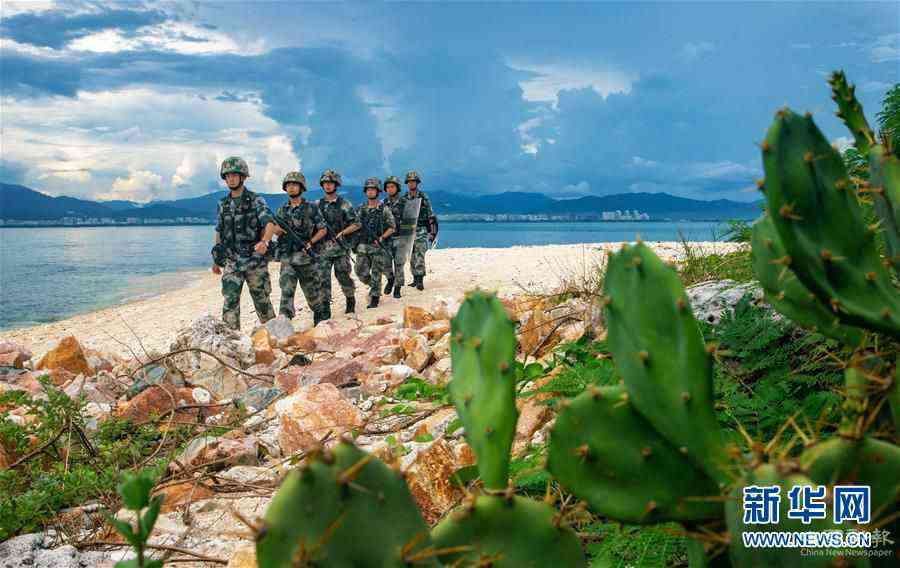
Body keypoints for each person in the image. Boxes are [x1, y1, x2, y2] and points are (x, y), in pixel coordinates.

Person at [211, 156, 277, 330]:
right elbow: (219, 230)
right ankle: (232, 342)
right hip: (231, 260)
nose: (231, 178)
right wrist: (216, 260)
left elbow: (270, 223)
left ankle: (276, 338)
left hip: (254, 260)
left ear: (243, 176)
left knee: (262, 301)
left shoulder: (256, 200)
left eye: (234, 175)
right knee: (230, 302)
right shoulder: (222, 204)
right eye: (228, 176)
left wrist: (265, 241)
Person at [272, 171, 329, 325]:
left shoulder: (311, 208)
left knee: (312, 292)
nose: (291, 188)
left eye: (294, 185)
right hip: (288, 258)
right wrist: (276, 230)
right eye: (288, 185)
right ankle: (284, 320)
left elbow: (323, 229)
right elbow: (276, 230)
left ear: (301, 187)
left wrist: (311, 242)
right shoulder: (281, 210)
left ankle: (319, 313)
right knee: (286, 291)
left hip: (306, 258)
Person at [316, 169, 360, 315]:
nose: (328, 186)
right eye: (325, 183)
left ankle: (350, 300)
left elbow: (356, 224)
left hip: (341, 248)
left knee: (343, 276)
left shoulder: (344, 204)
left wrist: (343, 233)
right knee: (323, 279)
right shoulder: (317, 205)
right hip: (322, 249)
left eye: (331, 183)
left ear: (336, 185)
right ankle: (325, 308)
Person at [354, 178, 395, 309]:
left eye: (373, 189)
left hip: (378, 245)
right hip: (363, 244)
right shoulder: (361, 208)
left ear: (378, 192)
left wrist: (382, 237)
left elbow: (392, 227)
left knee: (376, 271)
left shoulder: (384, 209)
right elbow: (356, 224)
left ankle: (375, 297)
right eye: (368, 189)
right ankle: (376, 285)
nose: (370, 192)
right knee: (360, 271)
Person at [404, 170, 437, 290]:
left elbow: (431, 215)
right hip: (409, 228)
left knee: (420, 254)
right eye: (409, 182)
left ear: (417, 183)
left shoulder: (423, 196)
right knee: (411, 255)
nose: (411, 184)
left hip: (421, 228)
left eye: (413, 182)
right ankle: (414, 278)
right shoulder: (405, 197)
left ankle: (420, 280)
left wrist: (432, 233)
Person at [382, 175, 409, 298]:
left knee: (399, 264)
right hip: (387, 238)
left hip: (400, 237)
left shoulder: (405, 202)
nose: (389, 189)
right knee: (386, 264)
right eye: (387, 187)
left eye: (392, 186)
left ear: (397, 188)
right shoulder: (383, 203)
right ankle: (390, 279)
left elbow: (411, 221)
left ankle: (397, 288)